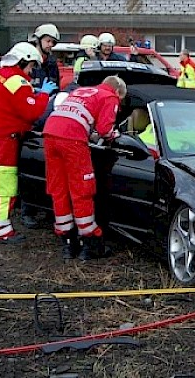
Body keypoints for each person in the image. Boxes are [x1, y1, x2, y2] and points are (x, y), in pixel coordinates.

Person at [0, 42, 58, 243]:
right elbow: (31, 112)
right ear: (23, 61)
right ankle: (3, 230)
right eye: (32, 67)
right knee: (5, 185)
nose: (32, 72)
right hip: (5, 139)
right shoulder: (17, 80)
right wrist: (43, 96)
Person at [42, 76, 127, 260]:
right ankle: (91, 243)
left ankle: (68, 241)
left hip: (50, 134)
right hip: (72, 139)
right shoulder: (109, 97)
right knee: (82, 190)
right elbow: (105, 129)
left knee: (59, 189)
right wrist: (117, 134)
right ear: (118, 92)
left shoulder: (81, 90)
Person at [22, 23, 62, 229]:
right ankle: (26, 209)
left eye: (53, 43)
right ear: (38, 40)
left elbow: (55, 89)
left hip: (45, 118)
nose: (50, 45)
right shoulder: (27, 61)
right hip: (28, 120)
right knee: (27, 164)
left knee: (44, 166)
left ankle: (43, 207)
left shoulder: (51, 63)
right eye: (48, 41)